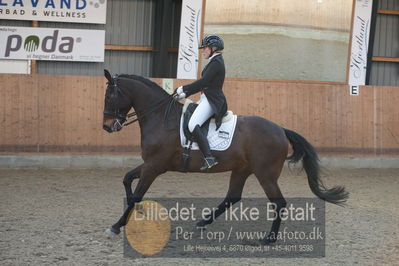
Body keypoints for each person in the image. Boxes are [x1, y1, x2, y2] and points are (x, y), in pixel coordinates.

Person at [175, 34, 228, 170]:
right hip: (206, 98)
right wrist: (185, 93)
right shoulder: (214, 62)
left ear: (214, 48)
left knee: (193, 124)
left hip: (212, 101)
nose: (203, 50)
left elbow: (203, 82)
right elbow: (203, 86)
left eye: (205, 48)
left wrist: (184, 88)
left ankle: (209, 157)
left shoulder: (217, 63)